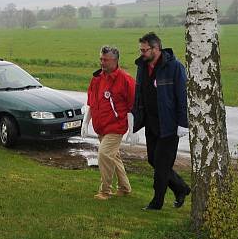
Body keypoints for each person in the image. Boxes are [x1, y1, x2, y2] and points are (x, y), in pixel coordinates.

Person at [131, 32, 191, 210]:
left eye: (145, 50)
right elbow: (139, 93)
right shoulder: (142, 66)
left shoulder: (174, 67)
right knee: (153, 160)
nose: (142, 53)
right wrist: (134, 114)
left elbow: (182, 96)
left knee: (162, 165)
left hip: (169, 125)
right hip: (151, 122)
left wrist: (183, 123)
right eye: (141, 49)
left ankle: (156, 202)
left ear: (156, 48)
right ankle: (181, 188)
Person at [82, 45, 135, 200]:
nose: (102, 63)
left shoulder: (126, 80)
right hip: (101, 127)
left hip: (116, 127)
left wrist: (133, 130)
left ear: (115, 60)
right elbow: (91, 103)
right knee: (113, 156)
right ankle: (125, 187)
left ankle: (105, 191)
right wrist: (86, 123)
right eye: (101, 59)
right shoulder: (96, 79)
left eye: (105, 60)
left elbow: (133, 107)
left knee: (104, 155)